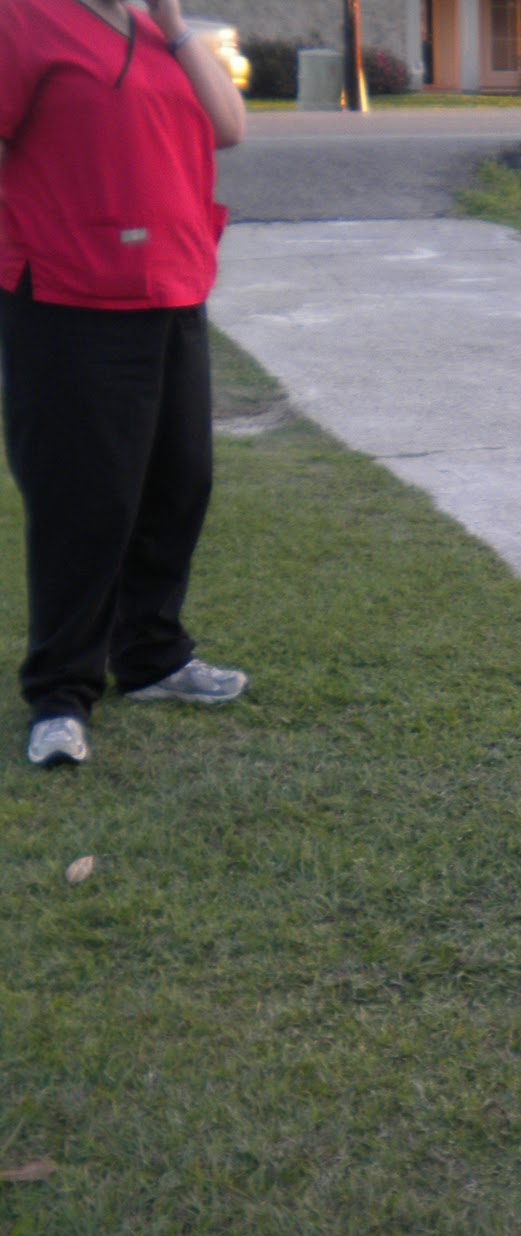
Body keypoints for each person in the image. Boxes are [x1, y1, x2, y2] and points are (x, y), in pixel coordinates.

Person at [0, 0, 249, 768]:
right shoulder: (23, 19)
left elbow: (230, 126)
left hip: (172, 286)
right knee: (85, 500)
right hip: (70, 295)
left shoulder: (158, 32)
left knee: (179, 484)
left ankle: (152, 656)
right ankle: (60, 693)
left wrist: (174, 24)